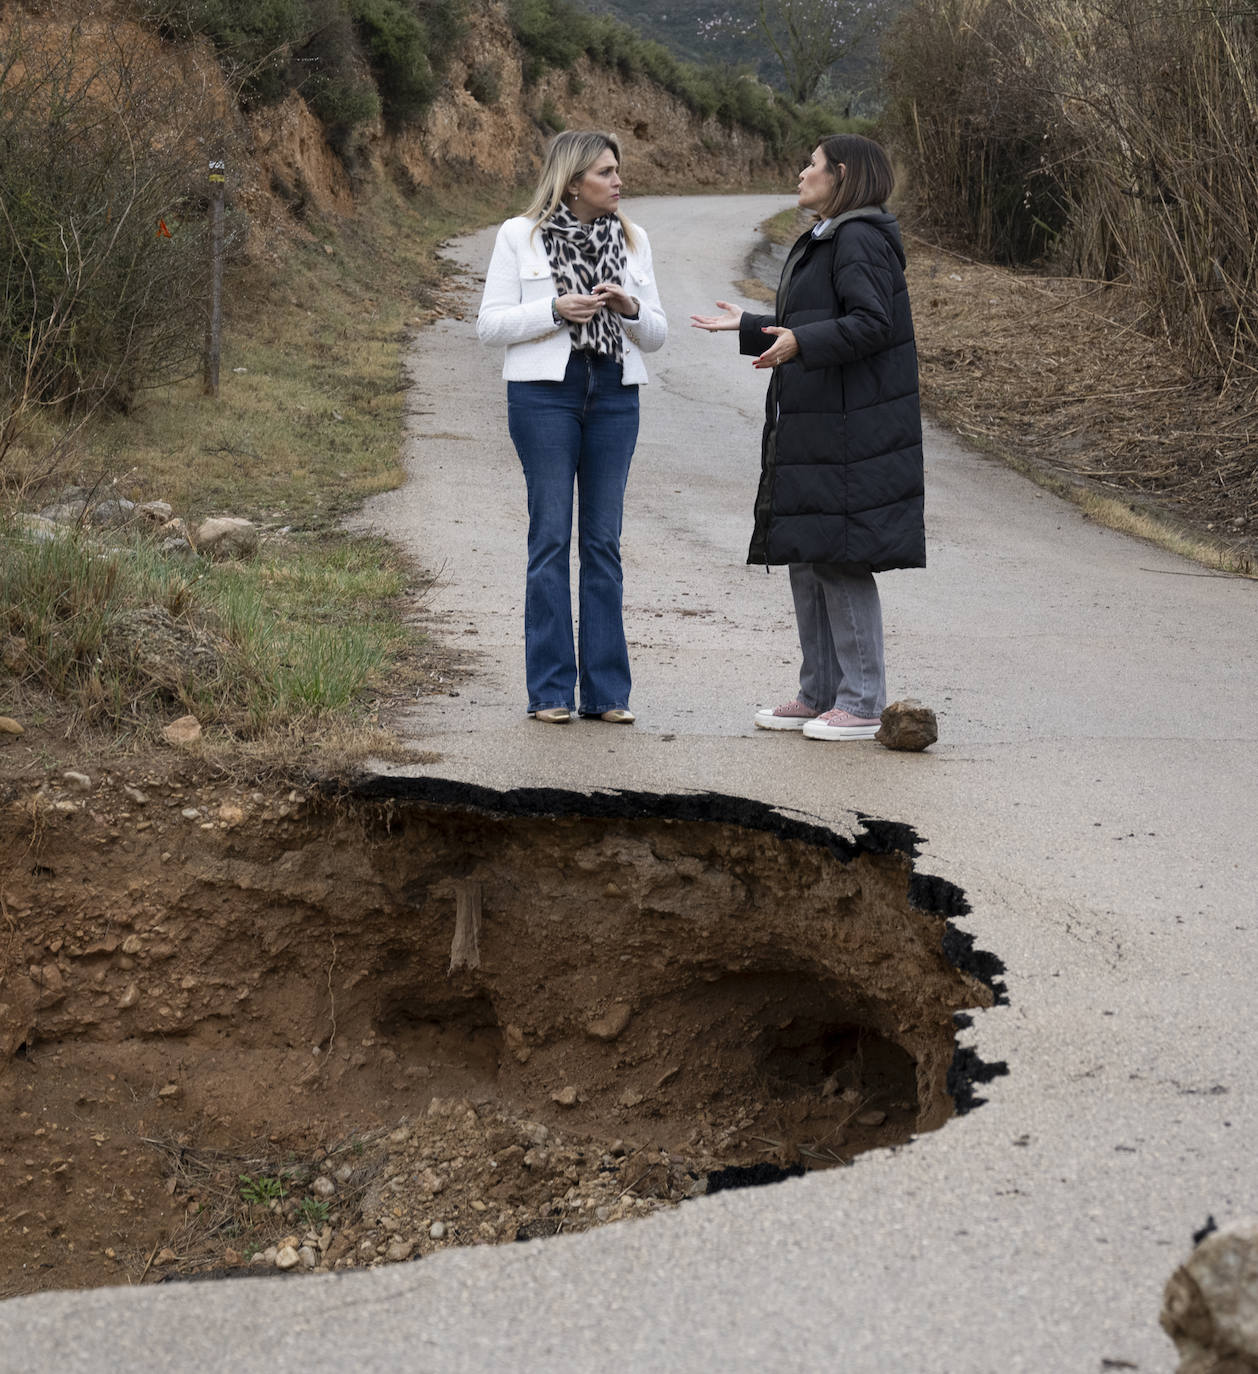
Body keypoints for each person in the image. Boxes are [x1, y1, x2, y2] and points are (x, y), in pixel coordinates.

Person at [691, 133, 924, 741]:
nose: (801, 172)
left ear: (841, 174)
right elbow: (816, 322)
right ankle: (818, 692)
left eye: (811, 165)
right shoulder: (827, 236)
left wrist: (800, 343)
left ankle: (862, 700)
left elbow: (872, 323)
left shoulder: (860, 237)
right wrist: (750, 327)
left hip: (852, 425)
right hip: (819, 417)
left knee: (841, 557)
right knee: (808, 550)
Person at [477, 130, 667, 725]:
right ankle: (552, 692)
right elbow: (489, 326)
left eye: (618, 171)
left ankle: (608, 694)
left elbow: (657, 334)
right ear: (574, 179)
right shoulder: (520, 235)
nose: (618, 181)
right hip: (544, 396)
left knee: (603, 543)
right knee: (551, 537)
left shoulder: (635, 240)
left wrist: (630, 310)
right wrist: (554, 310)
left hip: (614, 391)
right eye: (607, 172)